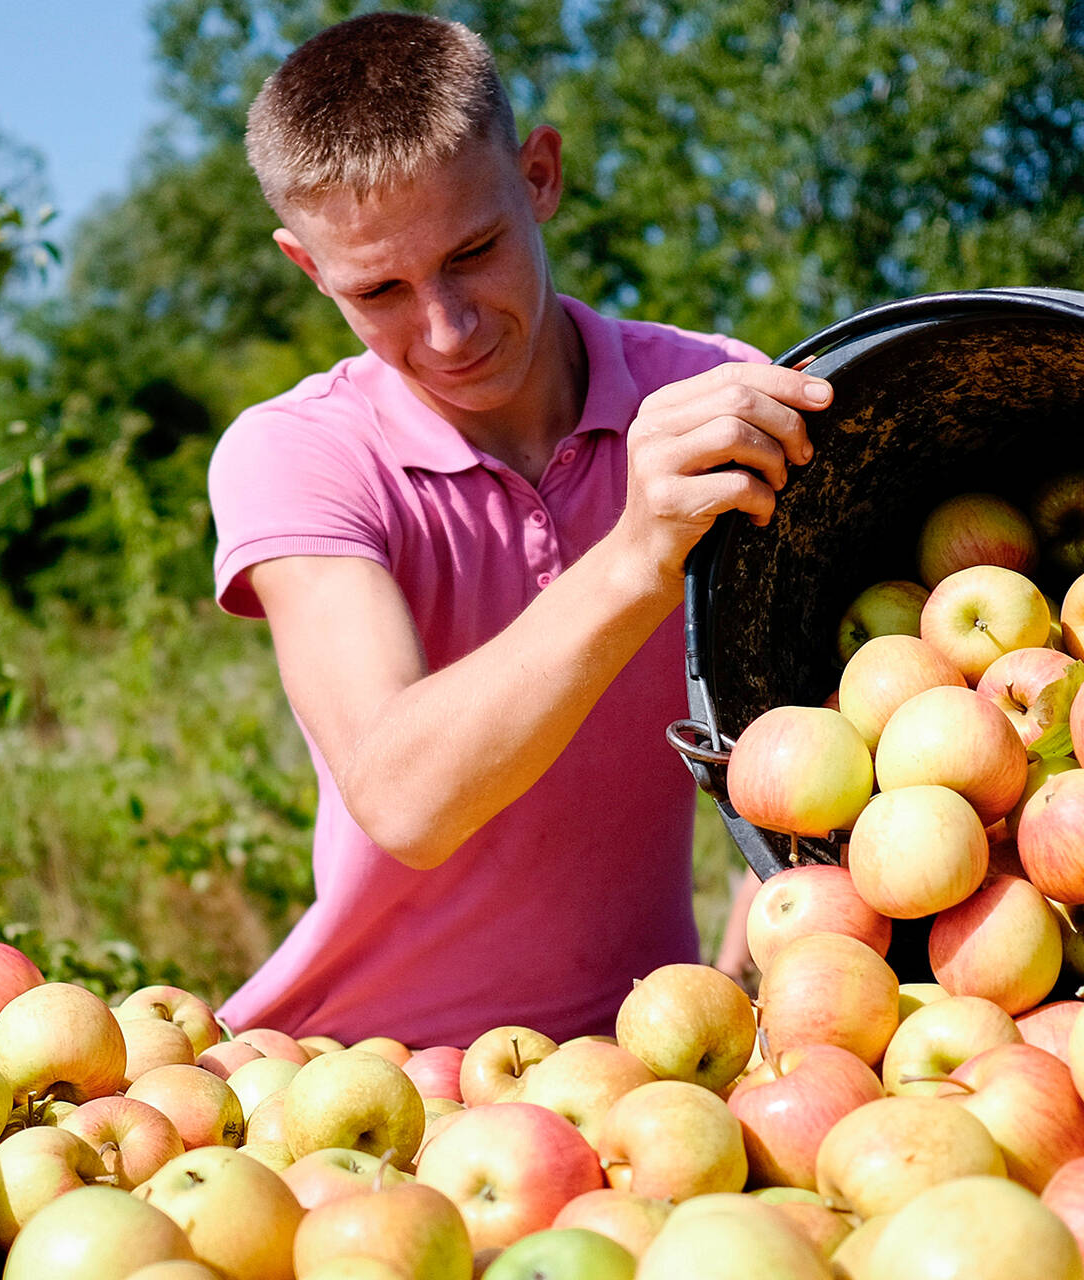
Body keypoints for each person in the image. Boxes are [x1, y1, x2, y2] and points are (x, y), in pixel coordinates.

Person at [207, 12, 829, 1049]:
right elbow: (403, 796)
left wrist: (740, 973)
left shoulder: (708, 393)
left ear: (538, 175)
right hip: (356, 1075)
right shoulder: (296, 453)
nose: (446, 327)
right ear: (307, 269)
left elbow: (807, 730)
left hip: (648, 1063)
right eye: (379, 290)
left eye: (474, 250)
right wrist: (637, 552)